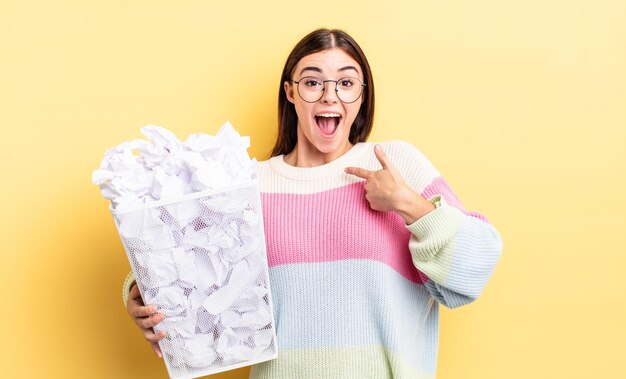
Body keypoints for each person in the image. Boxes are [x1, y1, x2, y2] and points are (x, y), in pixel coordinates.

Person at [123, 28, 502, 378]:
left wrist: (407, 203)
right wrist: (139, 294)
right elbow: (178, 257)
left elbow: (476, 266)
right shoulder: (249, 184)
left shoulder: (396, 164)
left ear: (362, 94)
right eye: (313, 82)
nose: (329, 95)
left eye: (346, 82)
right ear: (291, 92)